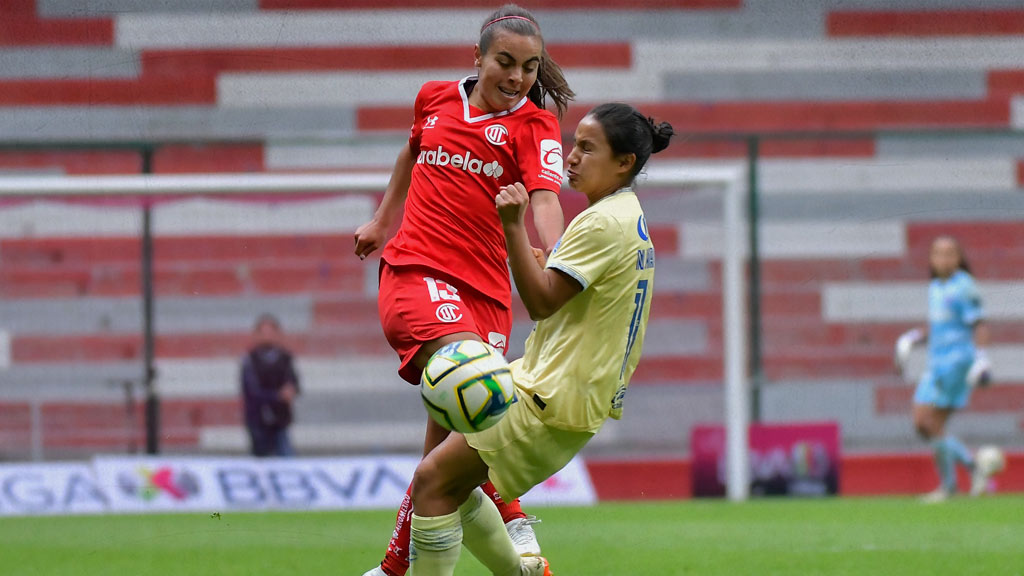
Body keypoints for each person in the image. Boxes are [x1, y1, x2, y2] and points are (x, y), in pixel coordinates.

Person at [352, 5, 574, 575]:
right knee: (474, 394)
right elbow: (413, 150)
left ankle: (399, 568)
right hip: (417, 271)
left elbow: (546, 197)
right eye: (505, 61)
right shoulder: (434, 96)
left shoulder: (533, 126)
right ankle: (513, 513)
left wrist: (558, 254)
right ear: (476, 58)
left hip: (488, 296)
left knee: (444, 462)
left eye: (529, 66)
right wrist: (383, 222)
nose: (517, 77)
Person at [406, 103, 673, 576]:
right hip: (559, 392)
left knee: (432, 482)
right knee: (449, 483)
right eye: (574, 144)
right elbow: (571, 301)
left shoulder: (601, 223)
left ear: (624, 162)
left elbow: (542, 302)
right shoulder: (622, 215)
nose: (571, 157)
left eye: (588, 149)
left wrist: (512, 226)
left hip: (551, 396)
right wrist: (534, 260)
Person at [894, 236, 997, 502]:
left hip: (956, 362)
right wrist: (914, 338)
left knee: (927, 422)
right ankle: (952, 484)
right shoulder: (935, 288)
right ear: (930, 259)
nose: (944, 258)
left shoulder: (964, 287)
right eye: (939, 253)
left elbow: (979, 324)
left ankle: (971, 468)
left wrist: (982, 359)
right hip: (936, 363)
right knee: (927, 426)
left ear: (959, 258)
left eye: (950, 253)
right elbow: (940, 327)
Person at [241, 313, 300, 457]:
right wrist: (277, 395)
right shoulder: (250, 360)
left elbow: (294, 382)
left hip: (280, 419)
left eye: (271, 332)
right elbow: (251, 391)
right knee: (261, 460)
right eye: (264, 332)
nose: (268, 336)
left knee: (285, 456)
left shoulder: (285, 358)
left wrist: (291, 390)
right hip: (258, 420)